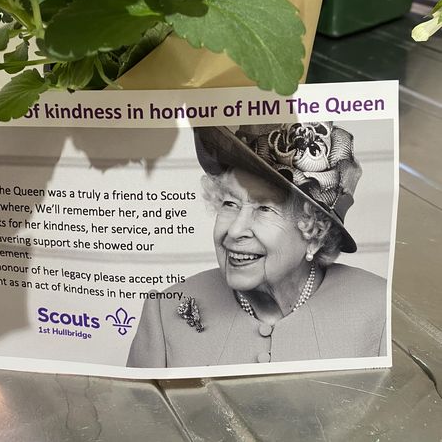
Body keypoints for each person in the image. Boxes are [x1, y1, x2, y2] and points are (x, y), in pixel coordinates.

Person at [127, 122, 387, 368]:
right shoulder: (165, 311)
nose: (235, 230)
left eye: (264, 208)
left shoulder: (378, 308)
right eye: (230, 204)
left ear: (315, 233)